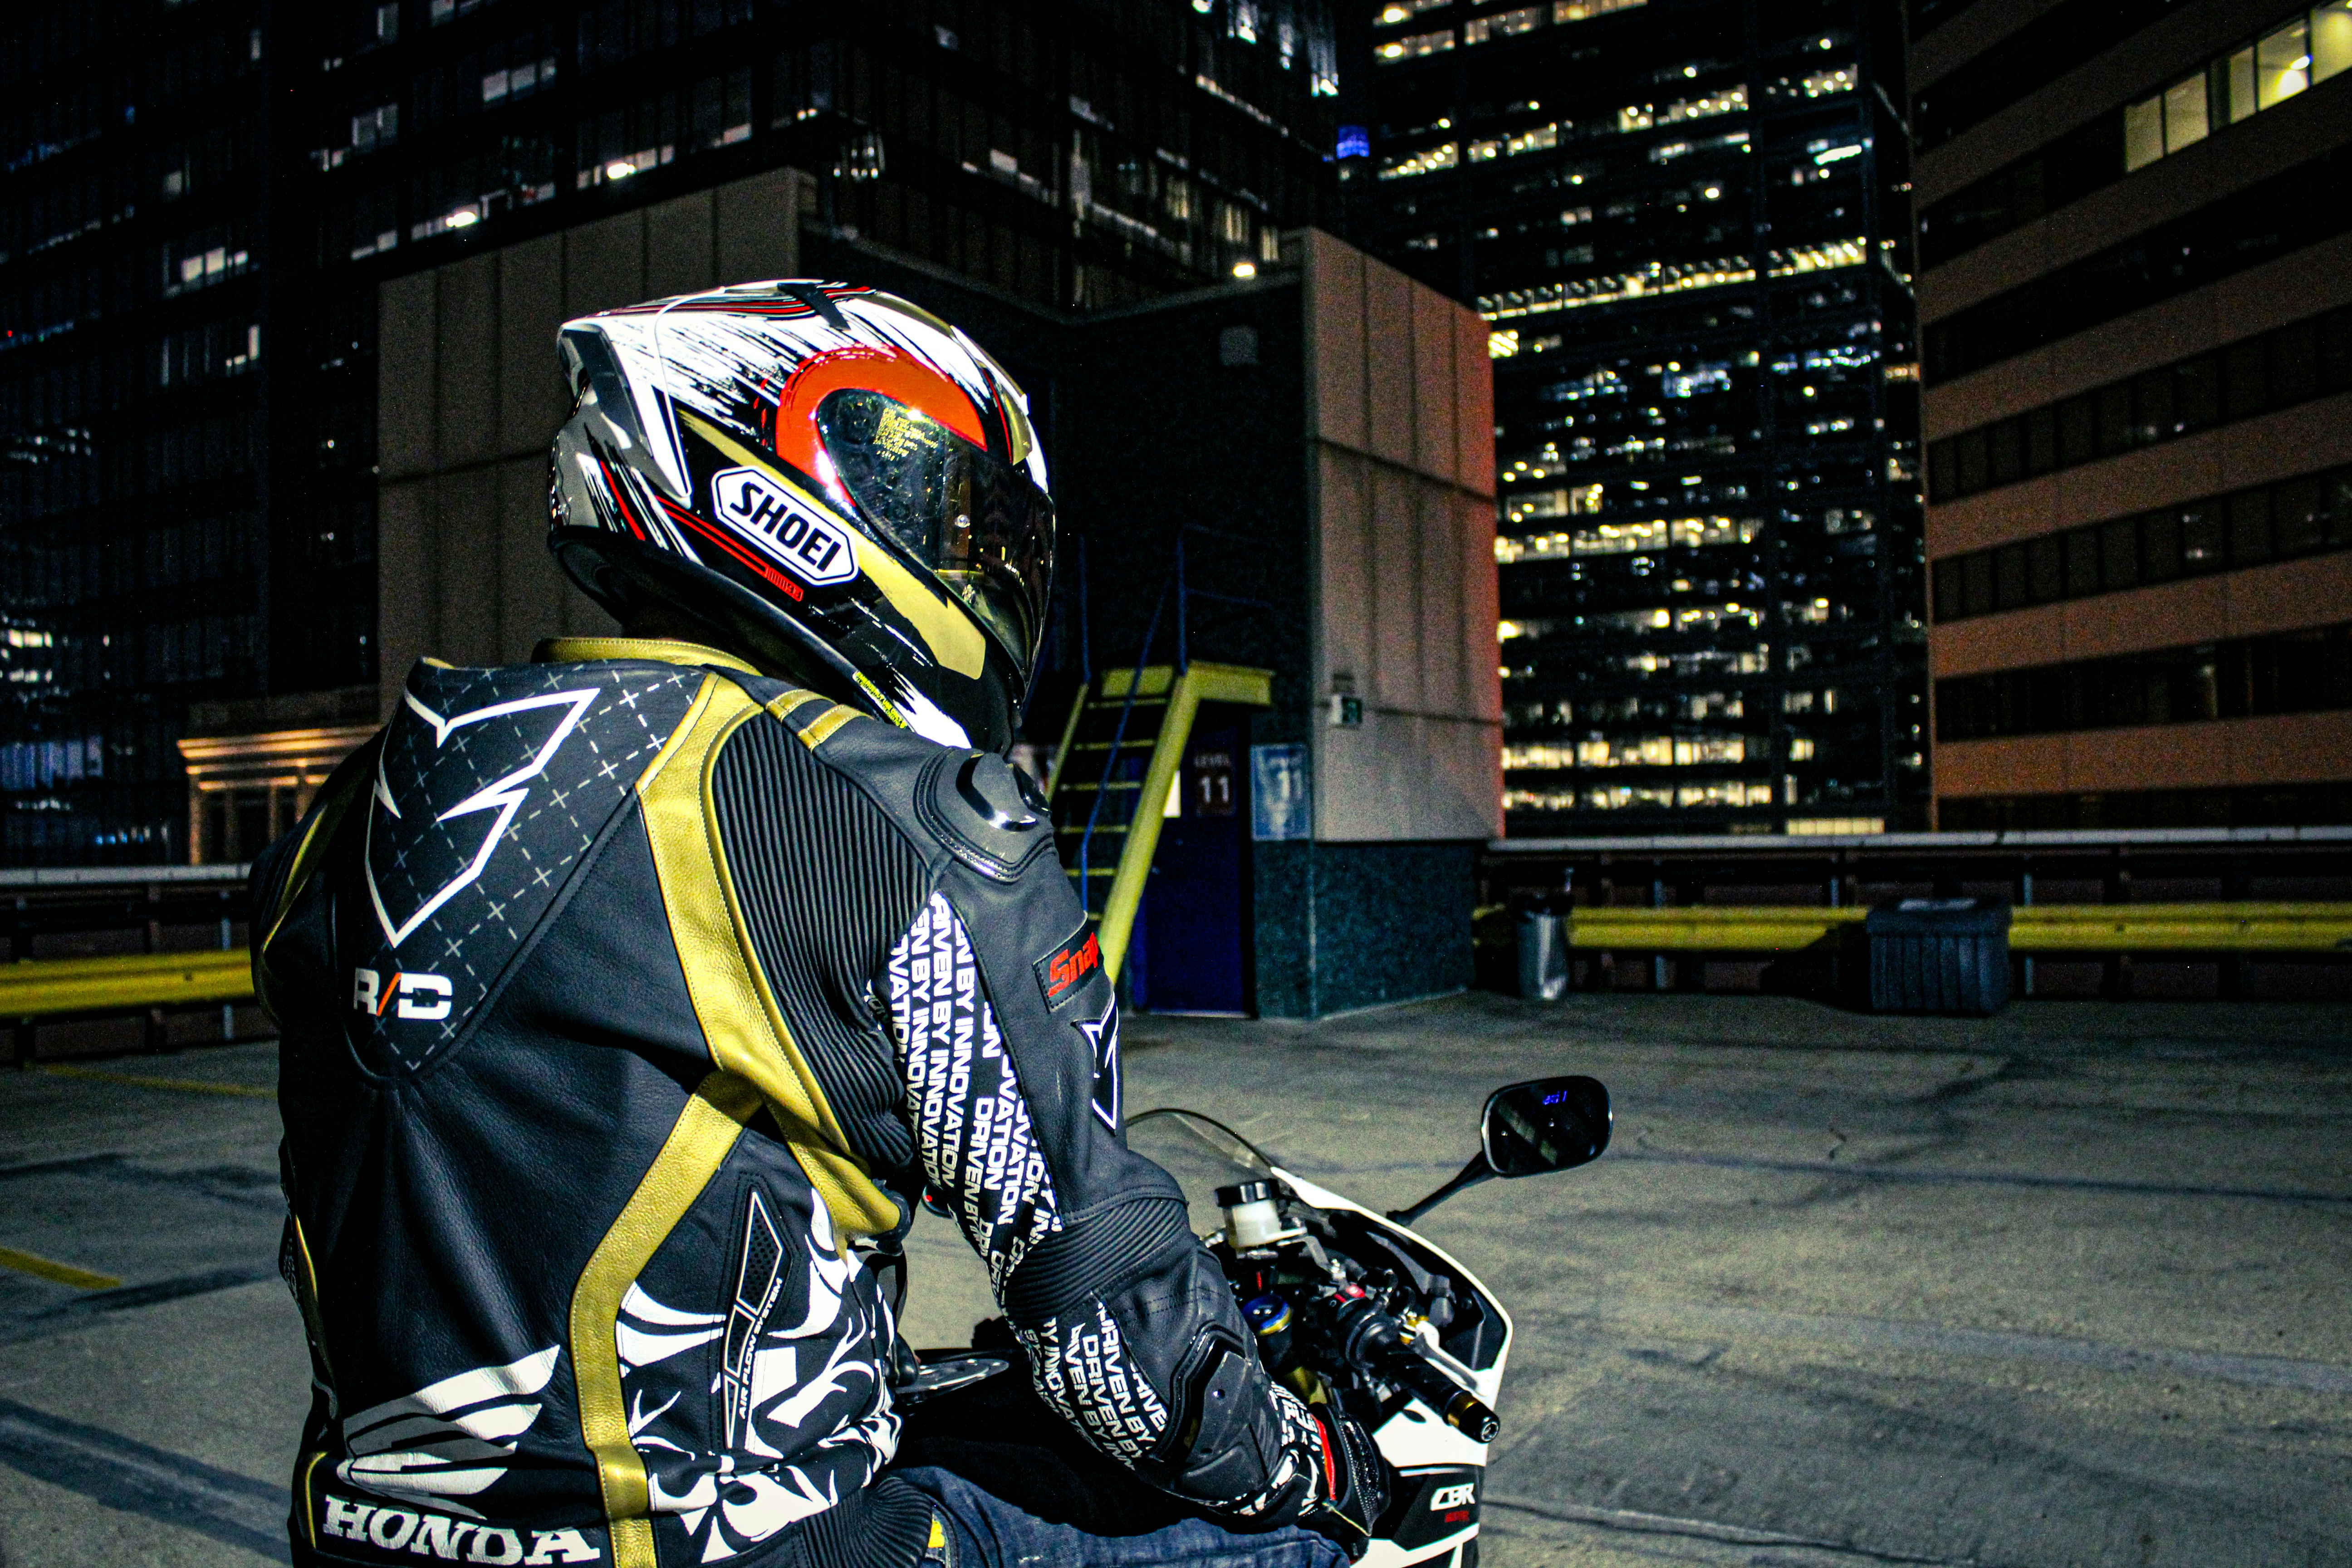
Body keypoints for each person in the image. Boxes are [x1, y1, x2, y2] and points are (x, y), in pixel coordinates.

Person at [254, 280, 1390, 1568]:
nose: (979, 571)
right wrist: (1312, 1461)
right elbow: (1107, 1337)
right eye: (951, 516)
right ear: (776, 481)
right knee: (1305, 1543)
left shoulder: (359, 803)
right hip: (736, 1550)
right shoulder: (891, 813)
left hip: (356, 1541)